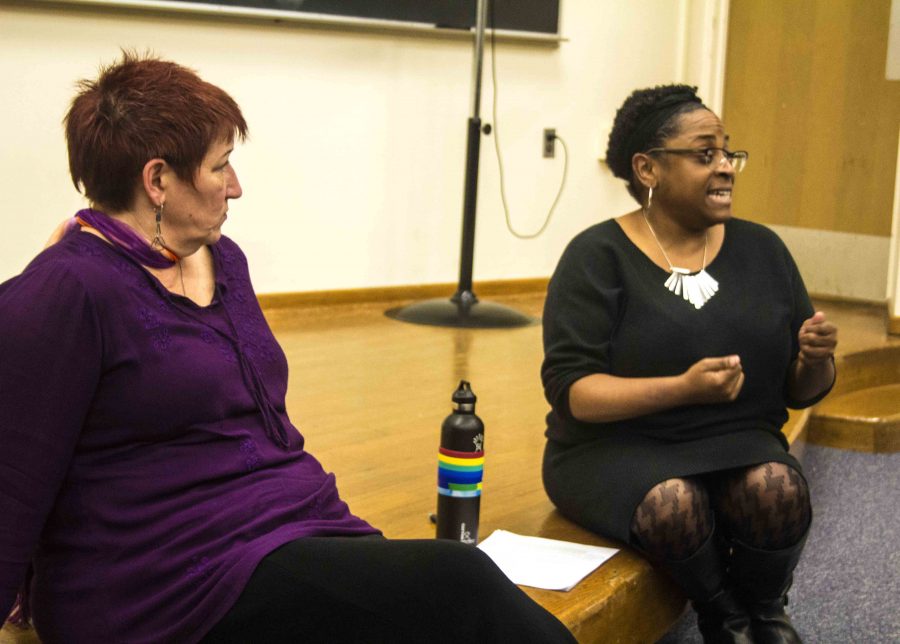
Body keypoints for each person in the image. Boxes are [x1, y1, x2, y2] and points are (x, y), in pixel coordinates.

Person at [0, 53, 576, 644]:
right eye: (220, 166)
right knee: (461, 581)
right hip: (159, 581)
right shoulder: (66, 290)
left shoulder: (222, 258)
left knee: (437, 597)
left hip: (284, 527)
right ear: (158, 181)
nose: (236, 187)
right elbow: (11, 482)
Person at [540, 85, 837, 644]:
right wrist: (681, 388)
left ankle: (766, 610)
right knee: (674, 504)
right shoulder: (596, 256)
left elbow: (801, 391)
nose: (726, 168)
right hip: (614, 448)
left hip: (736, 440)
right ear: (647, 169)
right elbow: (573, 390)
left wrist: (816, 359)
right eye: (706, 155)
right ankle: (722, 612)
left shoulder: (763, 250)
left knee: (777, 487)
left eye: (729, 153)